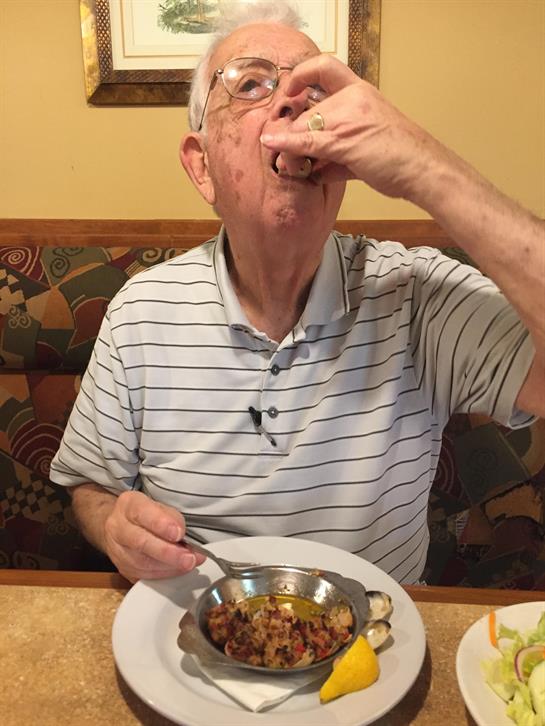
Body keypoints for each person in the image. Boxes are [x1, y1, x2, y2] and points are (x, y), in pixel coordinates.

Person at [49, 1, 544, 584]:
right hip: (194, 642)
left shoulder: (416, 295)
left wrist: (421, 164)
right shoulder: (141, 312)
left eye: (315, 95)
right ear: (201, 166)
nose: (292, 103)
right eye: (251, 84)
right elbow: (90, 485)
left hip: (377, 650)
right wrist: (112, 526)